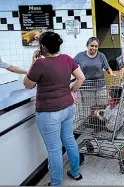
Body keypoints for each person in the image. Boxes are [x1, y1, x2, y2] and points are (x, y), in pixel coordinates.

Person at [23, 32, 86, 186]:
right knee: (69, 141)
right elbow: (81, 78)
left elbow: (28, 84)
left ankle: (56, 183)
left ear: (43, 47)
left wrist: (33, 62)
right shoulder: (67, 58)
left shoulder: (40, 64)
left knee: (54, 149)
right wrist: (71, 92)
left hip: (48, 113)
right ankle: (75, 172)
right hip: (68, 108)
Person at [74, 37, 116, 107]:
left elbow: (107, 67)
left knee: (102, 105)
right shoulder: (80, 56)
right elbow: (72, 65)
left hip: (100, 85)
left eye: (96, 46)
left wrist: (111, 73)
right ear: (87, 45)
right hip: (86, 86)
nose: (94, 48)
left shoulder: (101, 55)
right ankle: (91, 118)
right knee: (89, 107)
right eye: (92, 45)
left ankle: (100, 117)